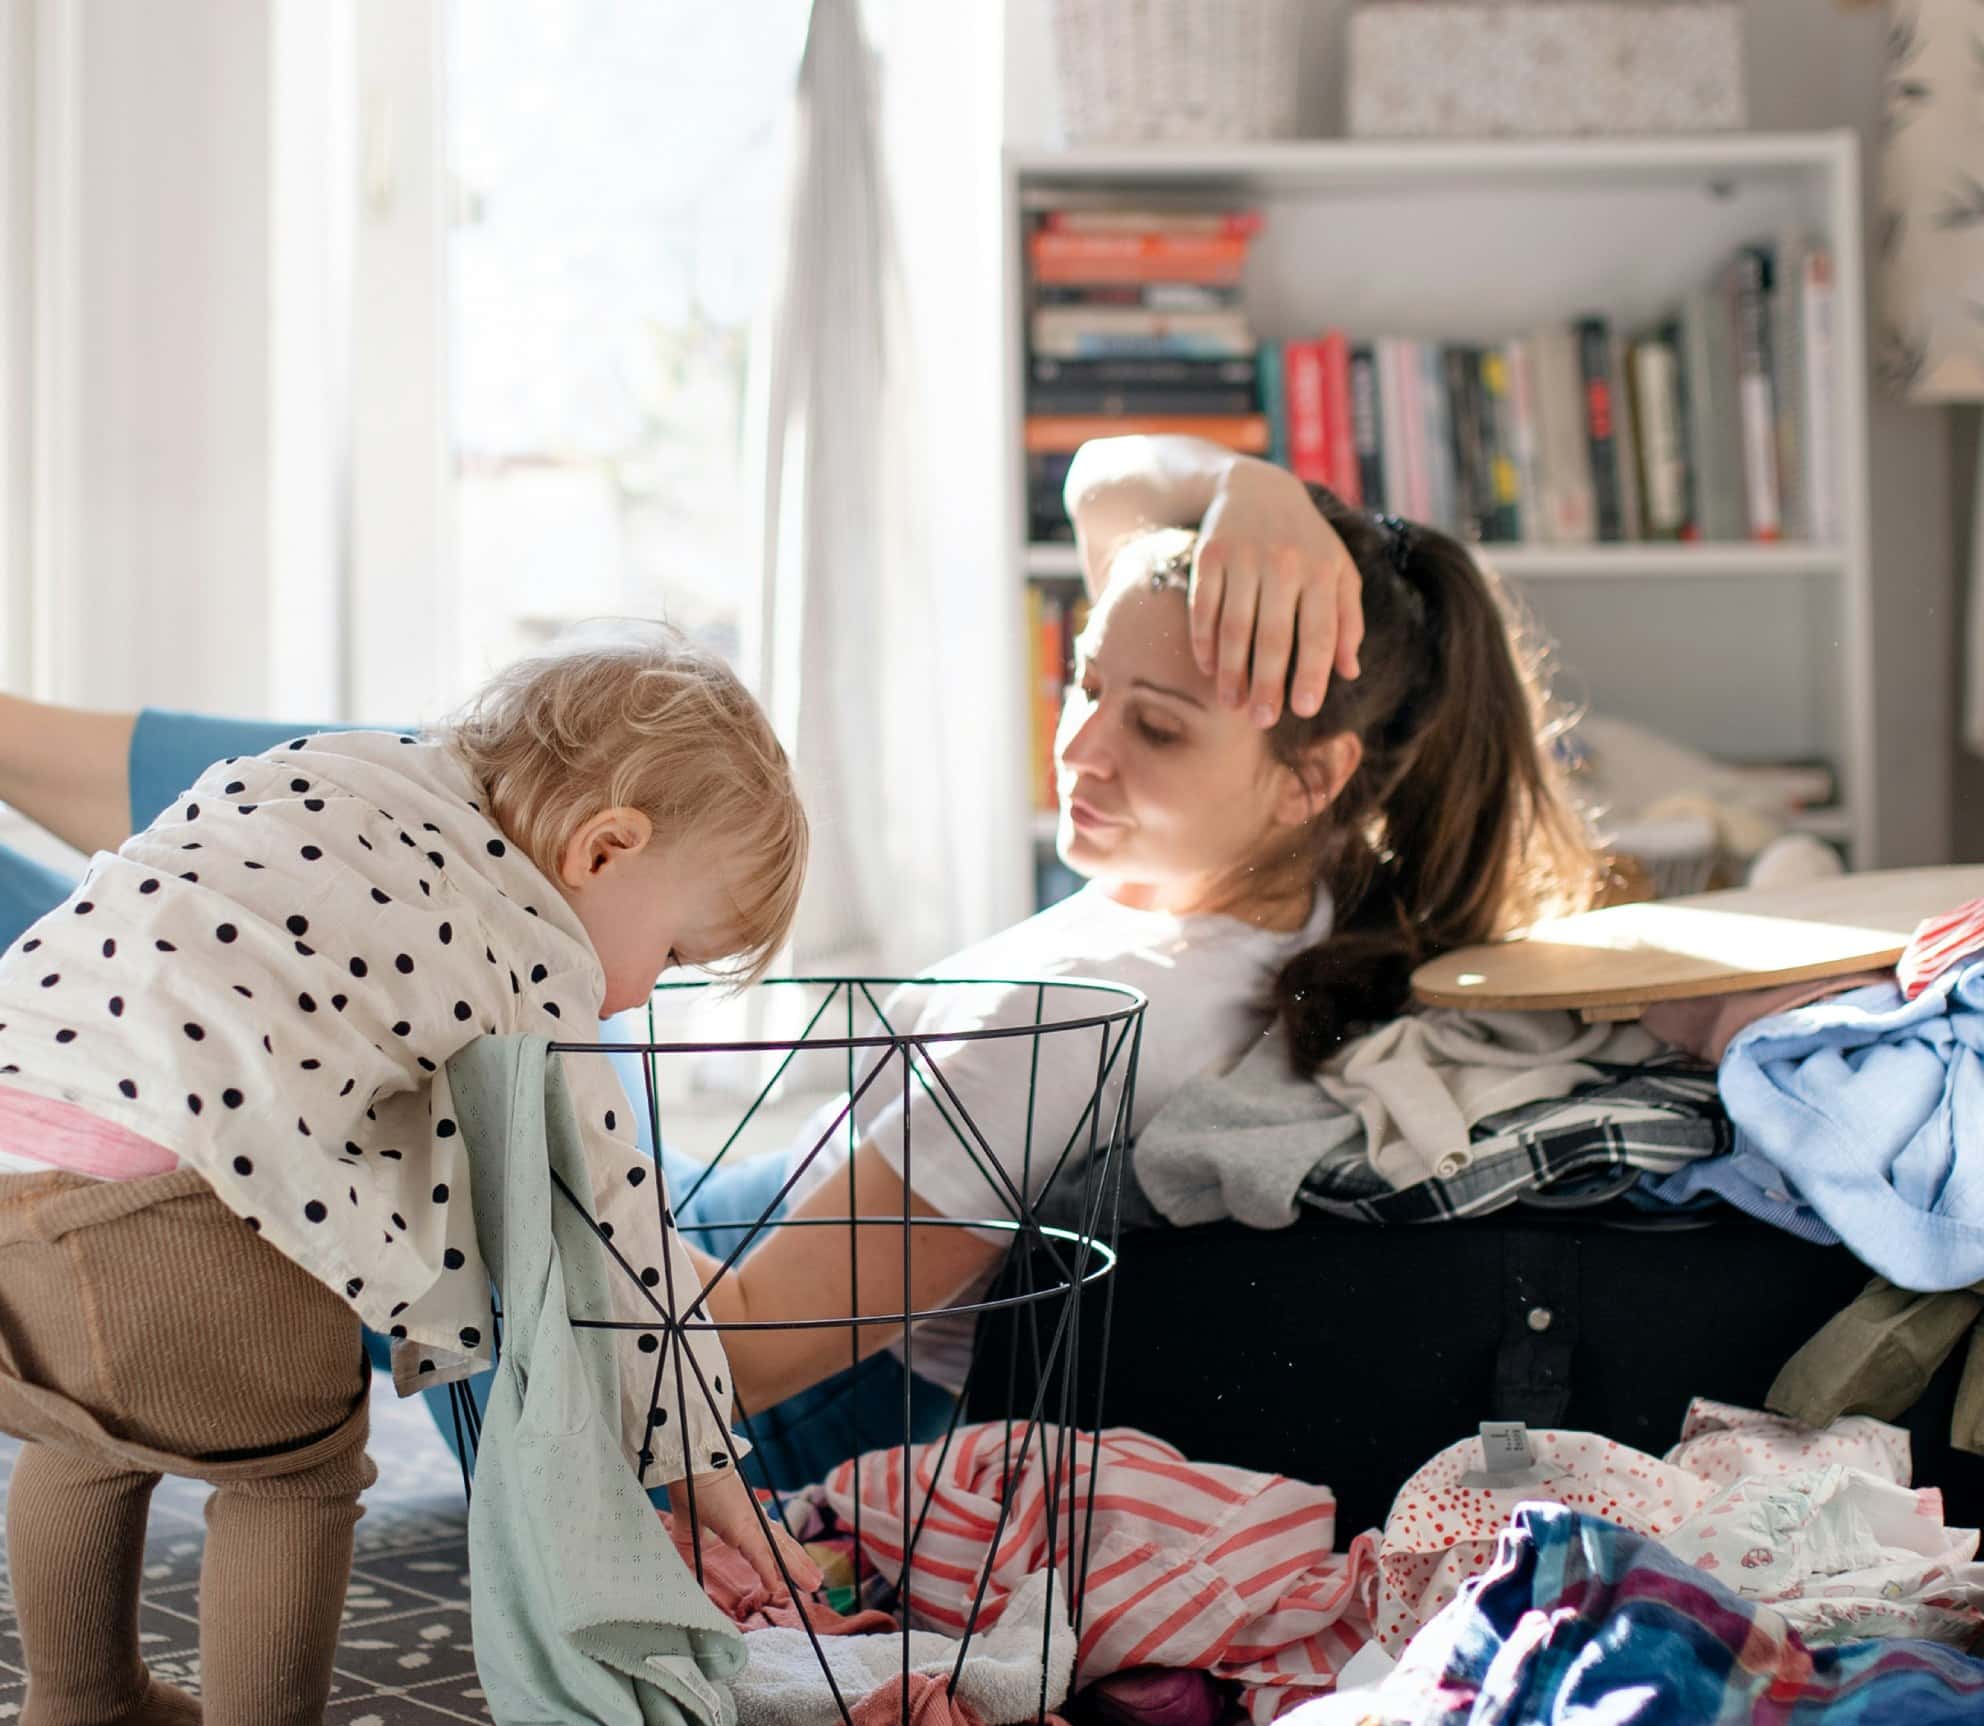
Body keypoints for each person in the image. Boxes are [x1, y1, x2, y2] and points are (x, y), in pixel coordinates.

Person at [0, 437, 1602, 1490]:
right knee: (437, 799)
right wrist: (1258, 489)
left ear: (1319, 778)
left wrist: (423, 1171)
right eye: (1085, 682)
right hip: (728, 1218)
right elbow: (1112, 493)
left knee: (407, 831)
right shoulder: (1281, 898)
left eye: (1156, 724)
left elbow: (722, 1355)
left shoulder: (1111, 1004)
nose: (1083, 746)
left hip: (754, 1402)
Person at [0, 635, 823, 1726]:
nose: (641, 993)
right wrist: (713, 1490)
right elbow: (618, 1247)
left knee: (88, 1424)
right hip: (166, 1191)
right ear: (606, 849)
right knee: (298, 1463)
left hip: (15, 1149)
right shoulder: (535, 945)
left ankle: (82, 1706)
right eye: (676, 952)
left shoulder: (333, 764)